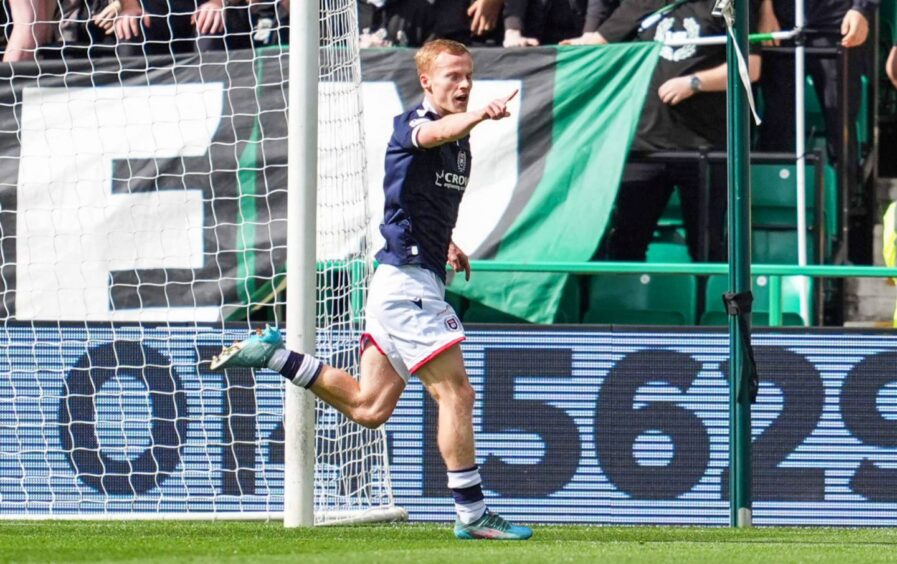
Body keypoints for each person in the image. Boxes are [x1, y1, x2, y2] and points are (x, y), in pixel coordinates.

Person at [210, 39, 532, 541]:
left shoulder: (457, 141)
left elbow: (414, 200)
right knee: (457, 393)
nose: (464, 85)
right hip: (407, 284)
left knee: (369, 407)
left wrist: (444, 242)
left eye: (468, 75)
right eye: (452, 76)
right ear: (427, 81)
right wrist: (478, 118)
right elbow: (432, 133)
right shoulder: (415, 125)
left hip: (401, 279)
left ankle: (273, 355)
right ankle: (472, 513)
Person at [594, 0, 761, 262]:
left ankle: (712, 304)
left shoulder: (727, 4)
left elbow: (750, 67)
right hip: (644, 149)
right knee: (626, 245)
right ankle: (624, 301)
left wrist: (695, 83)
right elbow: (597, 44)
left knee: (708, 248)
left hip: (705, 148)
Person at [755, 0, 880, 162]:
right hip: (782, 22)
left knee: (840, 120)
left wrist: (861, 9)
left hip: (837, 23)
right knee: (776, 119)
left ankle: (843, 184)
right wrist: (765, 10)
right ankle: (774, 184)